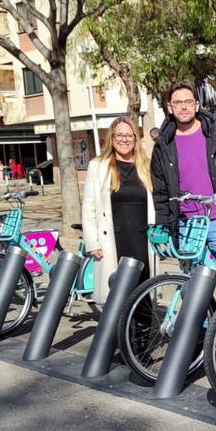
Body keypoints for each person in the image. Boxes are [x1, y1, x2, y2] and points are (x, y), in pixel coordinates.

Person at [150, 81, 216, 287]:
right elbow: (161, 192)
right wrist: (164, 228)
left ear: (197, 105)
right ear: (169, 107)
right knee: (193, 288)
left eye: (188, 102)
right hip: (186, 225)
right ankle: (202, 321)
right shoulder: (163, 146)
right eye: (178, 102)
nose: (183, 107)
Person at [81, 116, 157, 303]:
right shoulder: (98, 166)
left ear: (136, 138)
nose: (124, 140)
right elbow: (89, 207)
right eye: (119, 135)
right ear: (112, 138)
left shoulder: (147, 166)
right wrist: (92, 241)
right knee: (116, 297)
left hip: (143, 239)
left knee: (143, 294)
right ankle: (119, 332)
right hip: (113, 239)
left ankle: (142, 333)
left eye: (129, 135)